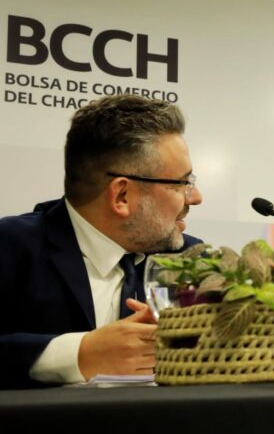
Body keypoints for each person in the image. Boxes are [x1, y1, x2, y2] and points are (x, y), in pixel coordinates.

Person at [0, 95, 203, 389]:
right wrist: (79, 354)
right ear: (122, 195)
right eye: (182, 184)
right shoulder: (10, 246)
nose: (195, 198)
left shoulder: (192, 259)